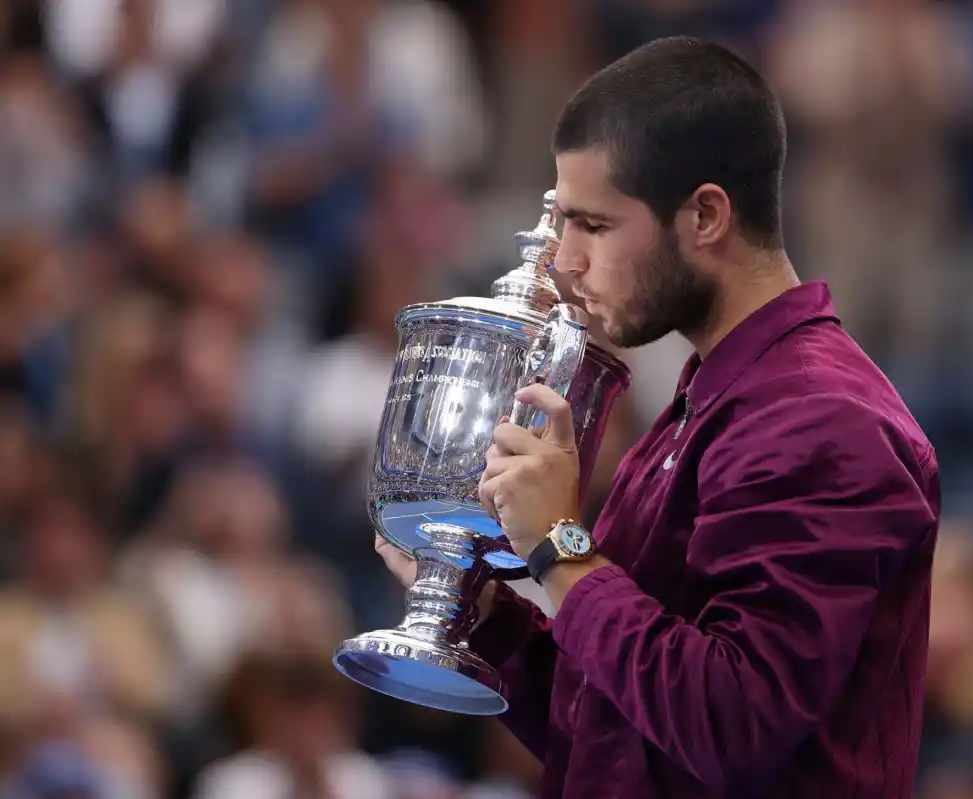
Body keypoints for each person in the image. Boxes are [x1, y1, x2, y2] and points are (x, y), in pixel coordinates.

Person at [377, 35, 941, 799]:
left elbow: (733, 726)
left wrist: (559, 547)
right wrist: (490, 614)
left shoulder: (822, 421)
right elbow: (617, 734)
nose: (564, 260)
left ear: (705, 215)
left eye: (594, 225)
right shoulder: (709, 399)